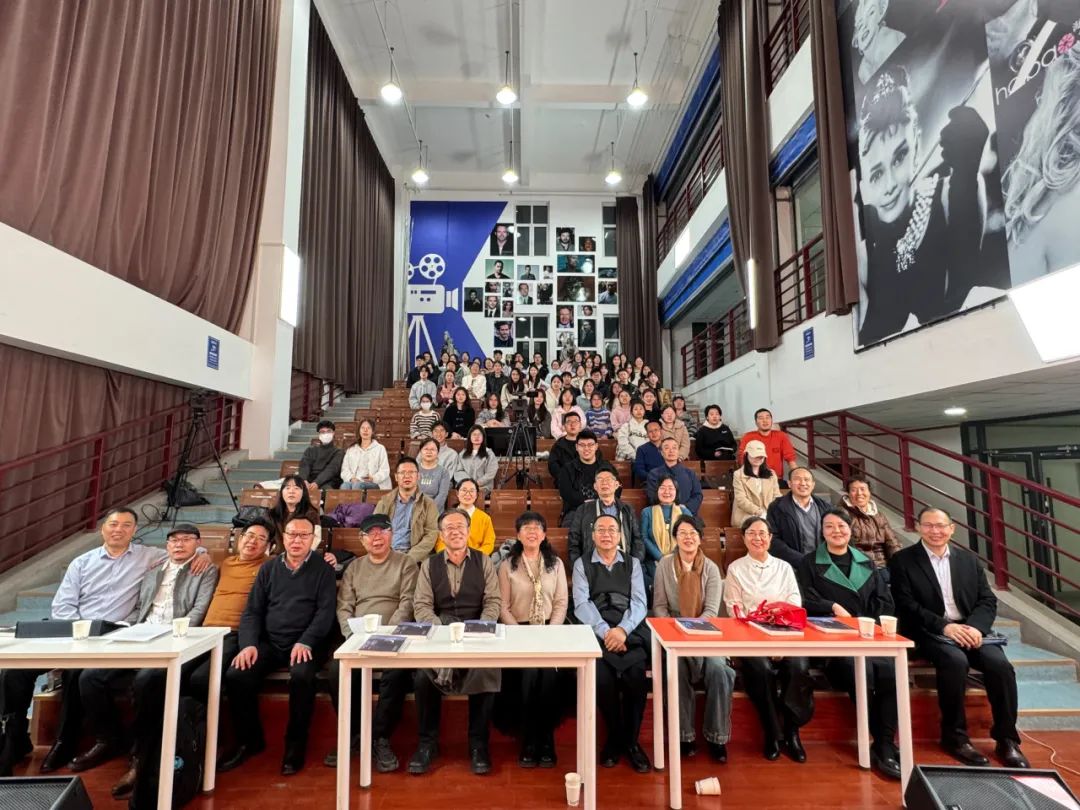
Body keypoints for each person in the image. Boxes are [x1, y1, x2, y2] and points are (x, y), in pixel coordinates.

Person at [0, 510, 210, 778]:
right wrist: (80, 632)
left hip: (112, 634)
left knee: (79, 674)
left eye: (126, 525)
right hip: (73, 632)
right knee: (13, 673)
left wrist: (202, 552)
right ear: (103, 529)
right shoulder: (82, 562)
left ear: (134, 531)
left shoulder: (148, 557)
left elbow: (183, 550)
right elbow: (62, 607)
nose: (118, 530)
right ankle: (15, 737)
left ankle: (66, 741)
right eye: (113, 524)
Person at [889, 507, 1028, 768]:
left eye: (941, 525)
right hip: (929, 630)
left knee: (1000, 666)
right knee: (955, 661)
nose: (935, 531)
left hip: (970, 629)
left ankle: (1007, 739)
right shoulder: (903, 560)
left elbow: (987, 600)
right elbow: (905, 604)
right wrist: (945, 627)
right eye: (929, 525)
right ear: (918, 527)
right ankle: (955, 737)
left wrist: (975, 627)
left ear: (952, 529)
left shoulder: (968, 561)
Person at [101, 524, 220, 795]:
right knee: (90, 678)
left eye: (186, 540)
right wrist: (125, 630)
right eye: (174, 540)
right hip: (142, 635)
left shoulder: (205, 569)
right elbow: (140, 609)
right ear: (166, 545)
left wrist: (175, 633)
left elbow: (199, 609)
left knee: (147, 681)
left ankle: (140, 758)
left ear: (198, 543)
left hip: (175, 637)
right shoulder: (154, 569)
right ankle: (109, 740)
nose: (179, 544)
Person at [220, 515, 336, 775]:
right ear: (283, 538)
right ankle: (249, 741)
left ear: (313, 539)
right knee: (237, 674)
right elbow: (252, 611)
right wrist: (248, 644)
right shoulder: (269, 568)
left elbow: (325, 613)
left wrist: (306, 641)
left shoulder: (323, 570)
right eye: (292, 534)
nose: (297, 540)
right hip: (271, 642)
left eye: (303, 535)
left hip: (307, 643)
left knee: (302, 677)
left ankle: (295, 744)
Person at [796, 509, 900, 779]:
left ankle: (885, 742)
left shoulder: (866, 562)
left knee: (889, 672)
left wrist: (868, 625)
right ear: (822, 532)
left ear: (850, 529)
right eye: (829, 527)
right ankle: (882, 743)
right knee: (862, 673)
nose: (836, 531)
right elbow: (804, 600)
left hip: (868, 637)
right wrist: (831, 606)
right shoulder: (809, 563)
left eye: (841, 526)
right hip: (833, 643)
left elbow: (884, 600)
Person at [410, 510, 502, 775]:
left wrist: (480, 628)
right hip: (440, 632)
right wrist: (443, 634)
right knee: (423, 677)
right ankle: (427, 743)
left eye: (460, 526)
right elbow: (422, 605)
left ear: (469, 531)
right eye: (449, 527)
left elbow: (493, 601)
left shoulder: (484, 561)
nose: (455, 531)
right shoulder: (429, 565)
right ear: (441, 534)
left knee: (486, 669)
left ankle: (478, 744)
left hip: (476, 632)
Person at [324, 513, 417, 770]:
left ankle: (380, 737)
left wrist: (387, 634)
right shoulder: (354, 568)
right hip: (359, 636)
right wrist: (351, 634)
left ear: (391, 535)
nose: (377, 537)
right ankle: (353, 733)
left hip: (393, 635)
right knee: (337, 671)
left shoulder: (406, 563)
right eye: (370, 533)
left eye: (382, 531)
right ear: (362, 540)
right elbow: (344, 606)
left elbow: (407, 602)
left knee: (396, 673)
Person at [723, 517, 813, 763]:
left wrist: (777, 630)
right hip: (750, 636)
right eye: (752, 533)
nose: (758, 538)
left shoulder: (784, 567)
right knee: (761, 670)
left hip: (785, 633)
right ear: (743, 538)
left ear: (771, 538)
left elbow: (794, 601)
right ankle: (772, 732)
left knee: (798, 666)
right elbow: (734, 608)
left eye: (762, 533)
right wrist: (762, 628)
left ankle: (792, 732)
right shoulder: (736, 569)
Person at [572, 515, 651, 773]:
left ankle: (632, 742)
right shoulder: (582, 564)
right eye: (601, 530)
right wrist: (607, 632)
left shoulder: (633, 563)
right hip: (596, 631)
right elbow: (581, 604)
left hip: (629, 631)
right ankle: (616, 737)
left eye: (612, 530)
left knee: (636, 678)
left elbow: (639, 603)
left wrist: (623, 630)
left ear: (619, 535)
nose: (606, 534)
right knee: (601, 679)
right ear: (593, 534)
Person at [652, 515, 734, 762]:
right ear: (675, 538)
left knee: (720, 670)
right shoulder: (664, 565)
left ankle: (717, 737)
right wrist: (675, 630)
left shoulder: (711, 568)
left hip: (706, 632)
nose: (688, 538)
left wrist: (692, 631)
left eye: (693, 533)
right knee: (675, 670)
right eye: (682, 533)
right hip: (673, 630)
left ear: (700, 538)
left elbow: (711, 611)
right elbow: (659, 606)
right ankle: (684, 735)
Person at [498, 512, 568, 767]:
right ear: (518, 535)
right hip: (518, 630)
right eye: (526, 528)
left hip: (549, 629)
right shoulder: (508, 566)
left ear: (544, 534)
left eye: (537, 527)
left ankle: (546, 738)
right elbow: (503, 607)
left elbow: (561, 602)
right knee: (527, 675)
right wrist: (520, 633)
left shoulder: (555, 564)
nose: (532, 532)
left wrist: (551, 631)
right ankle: (528, 738)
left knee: (549, 676)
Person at [568, 464, 644, 563]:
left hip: (624, 563)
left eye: (608, 479)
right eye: (600, 479)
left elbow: (637, 540)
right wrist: (579, 565)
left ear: (616, 485)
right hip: (593, 564)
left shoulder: (627, 510)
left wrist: (634, 563)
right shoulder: (583, 510)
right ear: (595, 486)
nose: (604, 483)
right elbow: (573, 542)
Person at [373, 457, 440, 563]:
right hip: (387, 556)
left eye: (411, 472)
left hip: (415, 559)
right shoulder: (385, 502)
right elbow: (374, 529)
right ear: (396, 477)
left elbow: (431, 535)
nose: (407, 476)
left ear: (418, 476)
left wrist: (409, 558)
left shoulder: (428, 504)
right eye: (402, 472)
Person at [766, 467, 832, 566]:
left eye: (806, 479)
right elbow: (773, 539)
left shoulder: (825, 507)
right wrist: (802, 560)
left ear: (813, 484)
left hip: (822, 563)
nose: (803, 483)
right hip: (791, 565)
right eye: (797, 479)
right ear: (789, 483)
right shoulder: (777, 507)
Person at [639, 475, 692, 592]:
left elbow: (690, 537)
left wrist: (674, 557)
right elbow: (644, 537)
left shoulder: (684, 512)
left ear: (676, 491)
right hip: (654, 560)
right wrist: (660, 557)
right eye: (662, 488)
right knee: (660, 584)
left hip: (680, 559)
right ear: (657, 491)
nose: (666, 491)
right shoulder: (647, 512)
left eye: (670, 488)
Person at [840, 476, 901, 570]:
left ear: (869, 493)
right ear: (848, 493)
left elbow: (892, 543)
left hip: (882, 565)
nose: (859, 493)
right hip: (857, 567)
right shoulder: (841, 514)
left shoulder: (879, 516)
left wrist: (899, 562)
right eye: (854, 490)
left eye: (863, 489)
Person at [434, 478, 495, 555]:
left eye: (472, 491)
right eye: (464, 490)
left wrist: (474, 556)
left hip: (476, 558)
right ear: (457, 493)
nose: (468, 494)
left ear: (476, 495)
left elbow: (489, 543)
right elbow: (440, 542)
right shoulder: (446, 517)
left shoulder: (485, 518)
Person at [730, 440, 782, 527]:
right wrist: (759, 512)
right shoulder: (738, 474)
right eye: (755, 456)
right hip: (746, 515)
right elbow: (741, 499)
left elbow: (777, 496)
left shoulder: (771, 474)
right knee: (760, 524)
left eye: (761, 457)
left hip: (768, 513)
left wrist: (771, 512)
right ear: (746, 455)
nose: (758, 459)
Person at [556, 431, 604, 523]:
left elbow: (617, 488)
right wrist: (587, 502)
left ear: (596, 446)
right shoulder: (567, 469)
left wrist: (597, 503)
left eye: (590, 445)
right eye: (582, 445)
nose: (586, 448)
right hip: (575, 511)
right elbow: (566, 493)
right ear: (577, 447)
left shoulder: (606, 467)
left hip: (602, 508)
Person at [738, 408, 797, 483]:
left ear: (771, 421)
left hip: (776, 479)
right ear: (756, 422)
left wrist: (798, 475)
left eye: (767, 417)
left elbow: (790, 458)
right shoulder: (748, 437)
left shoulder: (781, 436)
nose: (765, 421)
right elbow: (742, 458)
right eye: (761, 418)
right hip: (755, 478)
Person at [646, 438, 703, 513]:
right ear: (661, 453)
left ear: (678, 451)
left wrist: (685, 508)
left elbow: (698, 495)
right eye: (667, 448)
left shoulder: (690, 473)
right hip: (663, 515)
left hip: (686, 515)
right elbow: (652, 497)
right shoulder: (654, 474)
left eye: (674, 448)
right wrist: (670, 511)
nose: (671, 451)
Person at [267, 475, 321, 554]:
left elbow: (316, 539)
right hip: (276, 556)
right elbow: (266, 539)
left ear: (304, 493)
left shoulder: (311, 514)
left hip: (301, 555)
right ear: (281, 492)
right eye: (287, 488)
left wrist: (299, 555)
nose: (291, 491)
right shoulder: (272, 513)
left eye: (296, 488)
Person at [340, 419, 392, 490]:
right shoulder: (351, 449)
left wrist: (373, 478)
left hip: (375, 482)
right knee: (344, 485)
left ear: (373, 431)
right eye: (363, 428)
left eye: (368, 428)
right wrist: (351, 478)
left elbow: (385, 470)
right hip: (355, 481)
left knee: (357, 486)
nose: (365, 430)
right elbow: (345, 469)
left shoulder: (380, 448)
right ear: (359, 430)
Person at [299, 419, 344, 490]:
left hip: (328, 481)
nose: (326, 434)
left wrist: (317, 482)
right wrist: (304, 480)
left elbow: (331, 469)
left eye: (328, 431)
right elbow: (304, 466)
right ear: (319, 434)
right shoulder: (310, 450)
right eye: (322, 432)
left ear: (333, 433)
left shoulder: (339, 452)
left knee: (326, 490)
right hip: (310, 480)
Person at [455, 425, 499, 495]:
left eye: (479, 435)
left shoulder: (489, 453)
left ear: (483, 437)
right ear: (470, 437)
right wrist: (468, 483)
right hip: (466, 486)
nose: (476, 437)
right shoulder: (462, 453)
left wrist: (477, 483)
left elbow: (490, 473)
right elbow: (458, 471)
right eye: (474, 434)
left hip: (483, 487)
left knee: (474, 493)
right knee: (462, 492)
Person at [417, 437, 452, 511]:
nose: (429, 452)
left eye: (432, 449)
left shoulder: (443, 472)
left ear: (438, 452)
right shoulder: (413, 470)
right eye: (426, 449)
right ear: (420, 451)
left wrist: (429, 510)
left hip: (435, 511)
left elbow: (442, 495)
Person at [548, 411, 584, 480]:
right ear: (564, 426)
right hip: (564, 480)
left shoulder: (588, 443)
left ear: (580, 426)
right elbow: (553, 465)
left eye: (575, 421)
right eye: (569, 422)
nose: (572, 424)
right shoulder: (558, 445)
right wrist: (565, 477)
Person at [632, 420, 666, 484]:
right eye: (650, 431)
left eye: (656, 430)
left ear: (661, 431)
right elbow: (639, 470)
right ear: (647, 434)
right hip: (650, 481)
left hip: (669, 481)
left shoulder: (668, 447)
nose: (654, 433)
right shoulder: (641, 449)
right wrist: (653, 477)